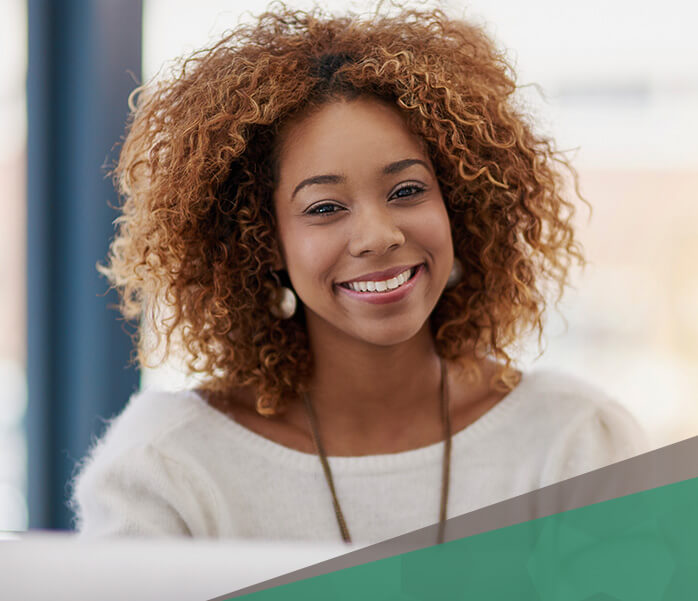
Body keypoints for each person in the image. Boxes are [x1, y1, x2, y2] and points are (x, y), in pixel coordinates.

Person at [70, 3, 649, 543]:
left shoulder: (576, 443)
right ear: (264, 240)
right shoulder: (168, 466)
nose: (378, 235)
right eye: (324, 208)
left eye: (407, 190)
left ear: (458, 205)